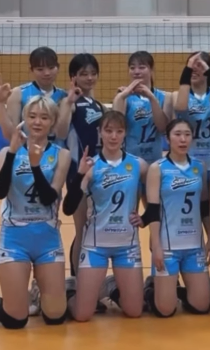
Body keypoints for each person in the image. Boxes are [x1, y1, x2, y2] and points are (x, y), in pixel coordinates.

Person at [0, 96, 71, 328]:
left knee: (55, 317)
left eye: (44, 117)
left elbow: (49, 198)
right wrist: (13, 152)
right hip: (15, 237)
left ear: (52, 122)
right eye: (32, 116)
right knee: (15, 319)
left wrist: (35, 165)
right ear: (24, 119)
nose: (37, 122)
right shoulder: (6, 153)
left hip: (47, 237)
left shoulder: (61, 155)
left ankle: (39, 289)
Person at [62, 111, 147, 321]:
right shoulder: (91, 166)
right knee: (82, 315)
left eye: (119, 131)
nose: (113, 136)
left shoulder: (138, 165)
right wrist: (79, 175)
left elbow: (156, 195)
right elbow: (68, 207)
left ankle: (112, 288)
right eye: (108, 131)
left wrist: (145, 217)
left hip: (127, 245)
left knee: (135, 311)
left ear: (125, 133)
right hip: (95, 246)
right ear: (100, 132)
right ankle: (69, 291)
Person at [137, 119, 210, 317]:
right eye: (177, 134)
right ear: (167, 138)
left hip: (194, 244)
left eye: (187, 135)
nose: (183, 139)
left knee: (202, 306)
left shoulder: (199, 166)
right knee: (165, 310)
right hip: (168, 245)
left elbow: (204, 206)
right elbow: (153, 209)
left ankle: (182, 289)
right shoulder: (158, 168)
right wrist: (156, 246)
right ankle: (152, 289)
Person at [56, 53, 104, 281]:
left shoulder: (98, 104)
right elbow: (60, 132)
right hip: (78, 173)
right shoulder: (70, 103)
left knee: (93, 228)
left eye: (93, 73)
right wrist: (68, 101)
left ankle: (90, 279)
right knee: (82, 228)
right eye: (84, 74)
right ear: (73, 77)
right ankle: (76, 282)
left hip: (98, 174)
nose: (89, 78)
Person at [173, 52, 210, 180]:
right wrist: (188, 69)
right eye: (191, 67)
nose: (194, 70)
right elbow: (181, 107)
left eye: (199, 66)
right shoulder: (178, 95)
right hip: (190, 160)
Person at [0, 46, 67, 141]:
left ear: (58, 68)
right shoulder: (18, 93)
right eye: (40, 69)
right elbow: (10, 135)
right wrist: (0, 103)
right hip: (28, 148)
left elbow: (62, 134)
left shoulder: (65, 96)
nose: (47, 73)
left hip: (57, 149)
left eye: (51, 68)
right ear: (31, 70)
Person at [113, 51, 172, 165]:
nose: (136, 72)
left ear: (151, 70)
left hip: (155, 162)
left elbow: (162, 127)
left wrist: (151, 98)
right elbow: (116, 124)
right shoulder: (124, 97)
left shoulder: (165, 97)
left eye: (141, 67)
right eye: (132, 68)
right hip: (131, 163)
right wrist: (121, 96)